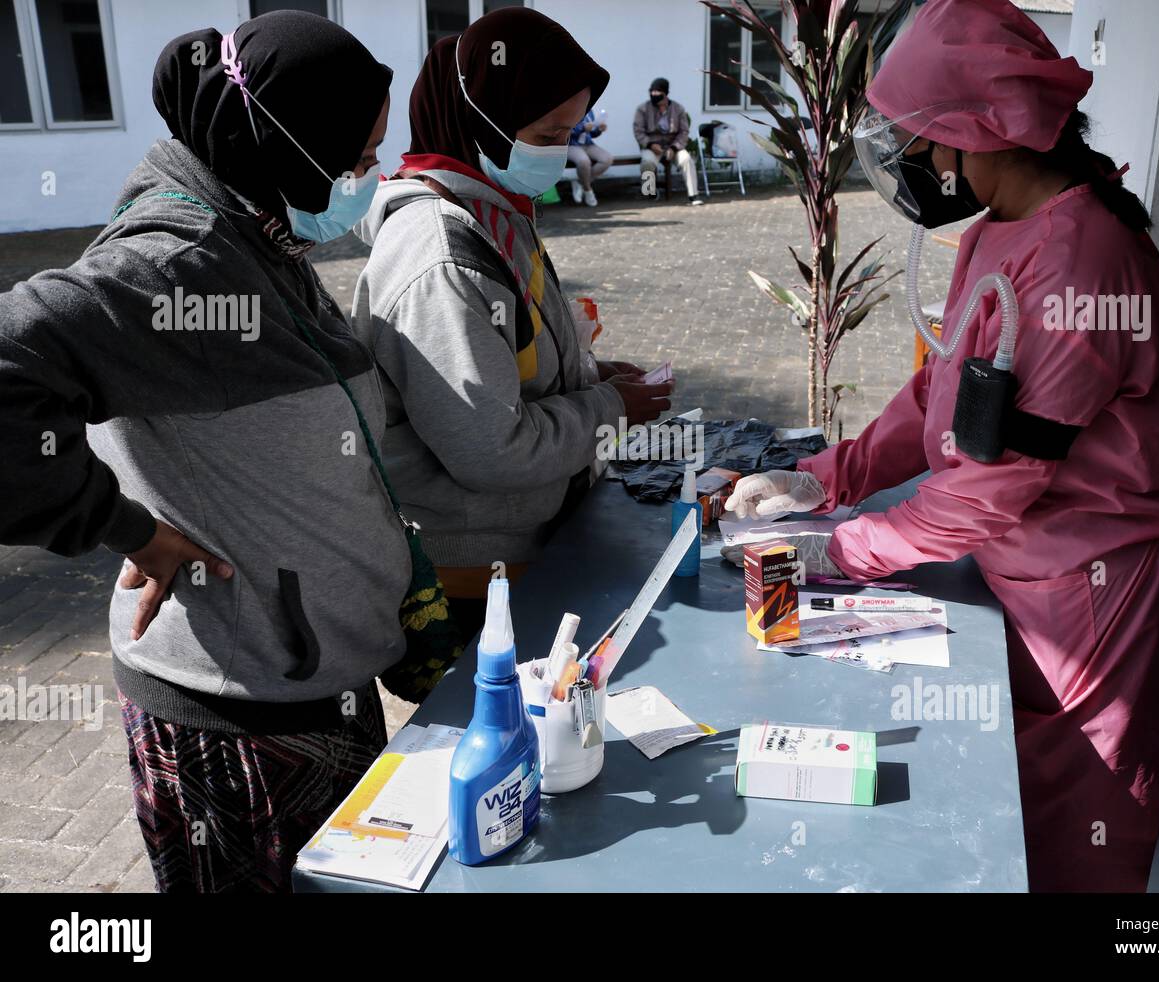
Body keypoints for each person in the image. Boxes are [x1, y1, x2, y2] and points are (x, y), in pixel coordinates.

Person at [724, 0, 1159, 892]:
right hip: (1030, 571)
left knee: (1078, 830)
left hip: (1106, 591)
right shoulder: (1000, 227)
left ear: (987, 132)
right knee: (1013, 801)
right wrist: (820, 480)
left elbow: (992, 486)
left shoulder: (1082, 261)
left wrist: (836, 549)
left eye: (929, 141)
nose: (925, 165)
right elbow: (941, 395)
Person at [0, 11, 400, 892]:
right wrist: (119, 525)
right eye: (357, 157)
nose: (371, 176)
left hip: (306, 682)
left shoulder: (255, 225)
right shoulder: (175, 261)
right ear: (287, 144)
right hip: (241, 722)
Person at [351, 8, 672, 644]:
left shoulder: (493, 216)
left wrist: (587, 374)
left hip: (527, 539)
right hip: (476, 577)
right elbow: (490, 449)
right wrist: (610, 407)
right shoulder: (440, 253)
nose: (564, 152)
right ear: (483, 125)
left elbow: (509, 361)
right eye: (547, 136)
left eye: (569, 132)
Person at [633, 77, 703, 205]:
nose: (654, 94)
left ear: (665, 93)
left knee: (687, 159)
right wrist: (650, 144)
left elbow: (684, 132)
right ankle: (650, 192)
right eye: (651, 91)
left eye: (657, 92)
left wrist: (674, 148)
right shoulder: (642, 109)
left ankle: (694, 195)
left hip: (673, 145)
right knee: (647, 162)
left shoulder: (678, 109)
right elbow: (638, 131)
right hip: (652, 145)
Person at [568, 107, 612, 206]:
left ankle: (580, 182)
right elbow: (566, 130)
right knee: (584, 161)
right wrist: (582, 128)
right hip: (572, 145)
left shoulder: (589, 110)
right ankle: (588, 190)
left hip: (588, 144)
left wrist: (599, 130)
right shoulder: (569, 108)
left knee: (607, 159)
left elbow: (592, 133)